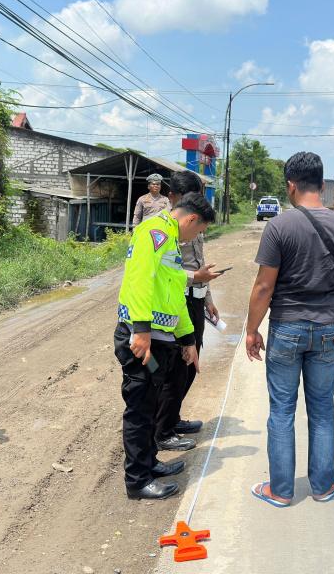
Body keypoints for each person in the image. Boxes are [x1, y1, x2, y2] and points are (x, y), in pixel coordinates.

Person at [245, 151, 334, 507]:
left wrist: (252, 330)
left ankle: (280, 491)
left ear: (291, 186)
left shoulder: (279, 227)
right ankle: (323, 486)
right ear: (322, 185)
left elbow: (264, 287)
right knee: (323, 408)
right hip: (327, 328)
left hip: (287, 329)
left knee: (282, 409)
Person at [114, 191, 216, 500]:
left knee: (151, 403)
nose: (195, 236)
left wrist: (188, 339)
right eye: (198, 231)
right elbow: (139, 279)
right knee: (140, 410)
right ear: (191, 219)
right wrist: (141, 329)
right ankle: (137, 480)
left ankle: (149, 464)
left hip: (160, 342)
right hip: (141, 341)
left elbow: (174, 295)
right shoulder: (154, 232)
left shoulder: (170, 240)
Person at [154, 172, 222, 451]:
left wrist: (207, 297)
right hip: (174, 301)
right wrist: (195, 278)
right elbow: (162, 272)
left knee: (190, 361)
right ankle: (163, 428)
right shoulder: (162, 230)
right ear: (175, 198)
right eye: (190, 199)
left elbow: (200, 263)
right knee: (176, 366)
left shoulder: (192, 223)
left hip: (192, 298)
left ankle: (172, 418)